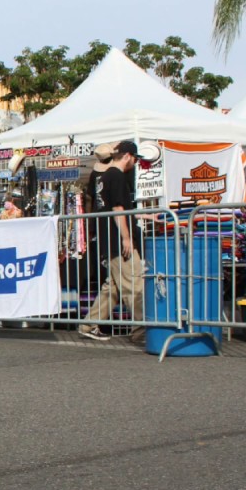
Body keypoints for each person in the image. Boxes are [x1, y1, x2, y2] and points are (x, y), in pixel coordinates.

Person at [79, 140, 144, 343]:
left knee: (113, 287)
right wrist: (126, 238)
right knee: (134, 284)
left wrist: (145, 217)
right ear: (128, 156)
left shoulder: (103, 177)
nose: (135, 162)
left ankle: (89, 323)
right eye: (135, 158)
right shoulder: (116, 176)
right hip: (118, 238)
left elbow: (111, 207)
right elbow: (118, 209)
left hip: (108, 237)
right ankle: (143, 330)